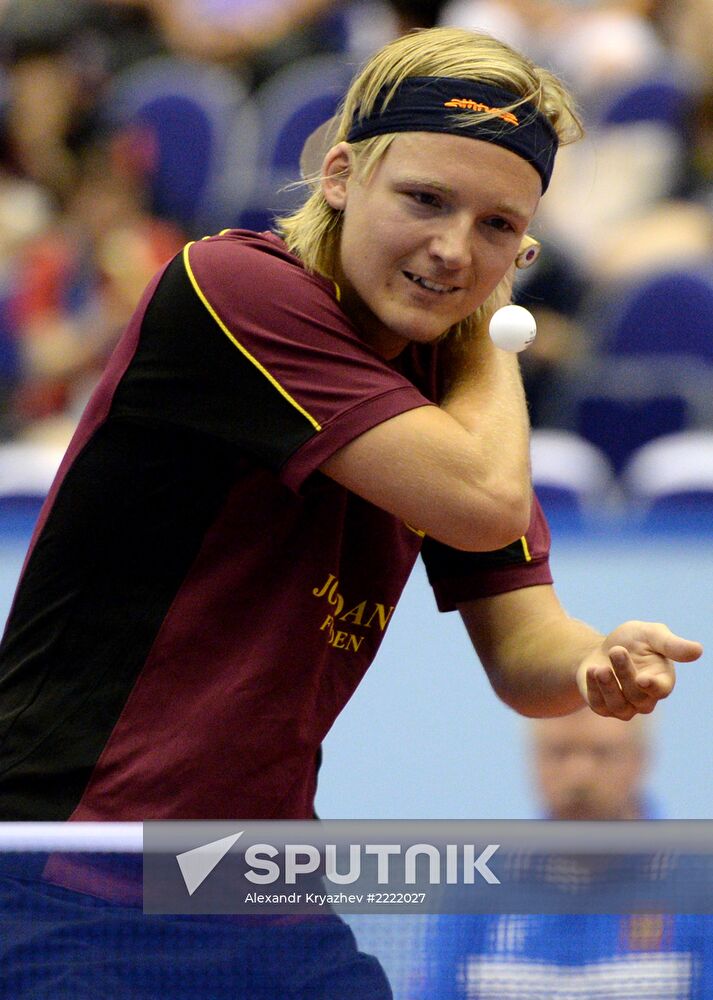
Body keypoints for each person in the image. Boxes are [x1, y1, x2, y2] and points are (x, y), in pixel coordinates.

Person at [0, 23, 703, 999]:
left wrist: (591, 664)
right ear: (339, 176)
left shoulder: (442, 392)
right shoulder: (231, 291)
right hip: (71, 877)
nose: (453, 247)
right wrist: (490, 328)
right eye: (424, 199)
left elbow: (523, 652)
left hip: (257, 887)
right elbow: (481, 498)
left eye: (497, 226)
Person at [420, 711, 713, 999]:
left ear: (641, 759)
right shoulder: (477, 887)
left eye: (601, 753)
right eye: (559, 752)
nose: (578, 777)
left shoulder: (700, 890)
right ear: (533, 759)